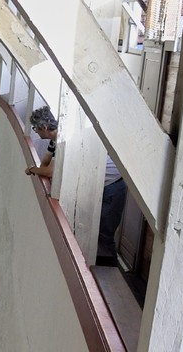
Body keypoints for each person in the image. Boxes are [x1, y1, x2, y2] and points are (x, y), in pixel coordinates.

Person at [26, 106, 127, 267]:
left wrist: (32, 169)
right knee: (95, 231)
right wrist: (39, 169)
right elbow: (45, 163)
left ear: (44, 127)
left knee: (104, 234)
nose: (36, 132)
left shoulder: (64, 140)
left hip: (113, 186)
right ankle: (98, 267)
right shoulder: (54, 140)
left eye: (35, 129)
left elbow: (49, 171)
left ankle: (110, 271)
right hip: (100, 186)